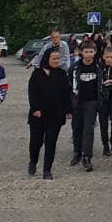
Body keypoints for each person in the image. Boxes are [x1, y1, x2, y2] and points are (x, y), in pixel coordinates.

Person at [27, 49, 72, 179]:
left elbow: (66, 93)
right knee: (36, 141)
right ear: (47, 59)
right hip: (39, 114)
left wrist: (69, 110)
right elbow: (32, 92)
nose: (57, 61)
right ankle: (33, 161)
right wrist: (35, 108)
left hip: (56, 113)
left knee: (51, 141)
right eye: (54, 59)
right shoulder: (37, 74)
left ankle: (47, 170)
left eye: (58, 59)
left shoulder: (62, 74)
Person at [68, 42, 104, 171]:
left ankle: (87, 156)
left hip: (92, 102)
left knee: (88, 129)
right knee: (77, 128)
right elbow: (69, 86)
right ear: (81, 52)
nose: (88, 54)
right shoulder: (75, 67)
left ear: (94, 52)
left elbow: (102, 84)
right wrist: (69, 105)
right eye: (86, 52)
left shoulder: (99, 67)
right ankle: (77, 152)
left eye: (91, 52)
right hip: (77, 102)